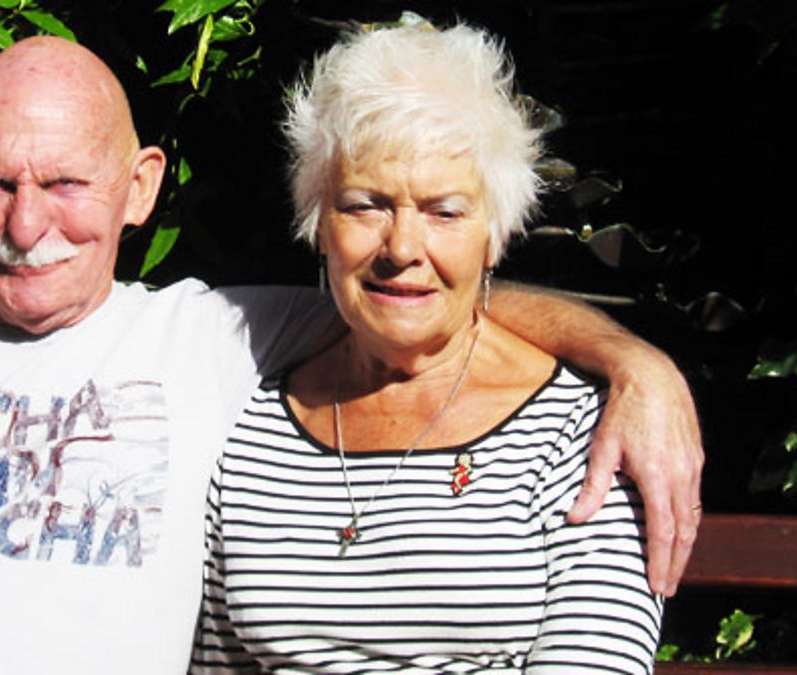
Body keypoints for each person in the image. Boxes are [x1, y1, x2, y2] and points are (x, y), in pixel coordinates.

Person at [0, 35, 695, 674]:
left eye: (65, 183)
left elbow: (423, 306)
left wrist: (634, 363)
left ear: (140, 187)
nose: (27, 226)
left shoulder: (212, 335)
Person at [192, 22, 661, 673]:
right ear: (319, 226)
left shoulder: (575, 438)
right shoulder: (251, 427)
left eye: (444, 212)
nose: (403, 248)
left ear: (495, 237)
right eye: (366, 205)